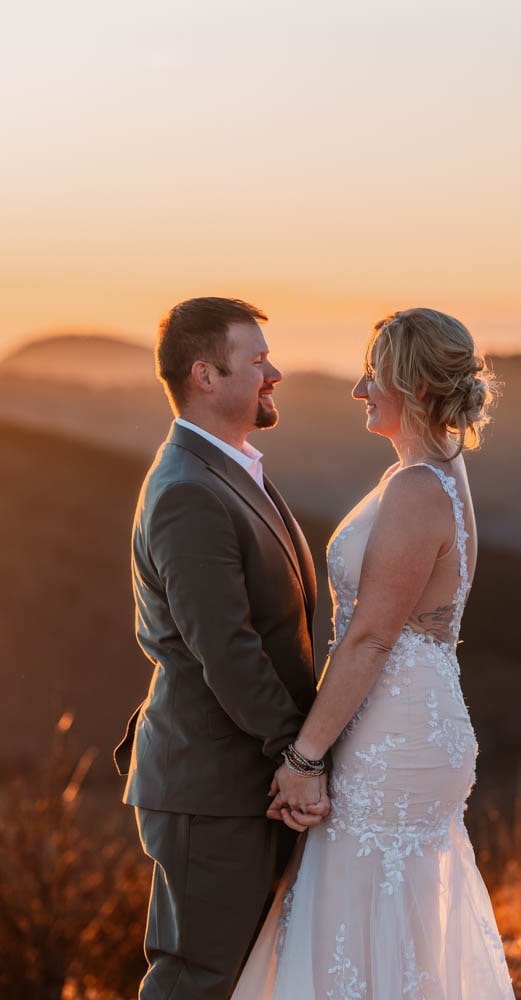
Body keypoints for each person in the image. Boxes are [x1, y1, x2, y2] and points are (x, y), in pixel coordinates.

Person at [233, 307, 515, 998]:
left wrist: (303, 760)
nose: (360, 390)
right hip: (405, 726)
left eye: (373, 375)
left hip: (395, 741)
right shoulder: (433, 472)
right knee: (377, 925)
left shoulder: (419, 487)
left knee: (362, 923)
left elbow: (369, 637)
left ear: (416, 387)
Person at [113, 296, 329, 1000]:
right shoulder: (187, 493)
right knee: (197, 980)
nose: (275, 372)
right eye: (258, 359)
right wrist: (299, 755)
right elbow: (228, 652)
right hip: (210, 786)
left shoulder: (226, 470)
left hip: (243, 781)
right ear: (206, 375)